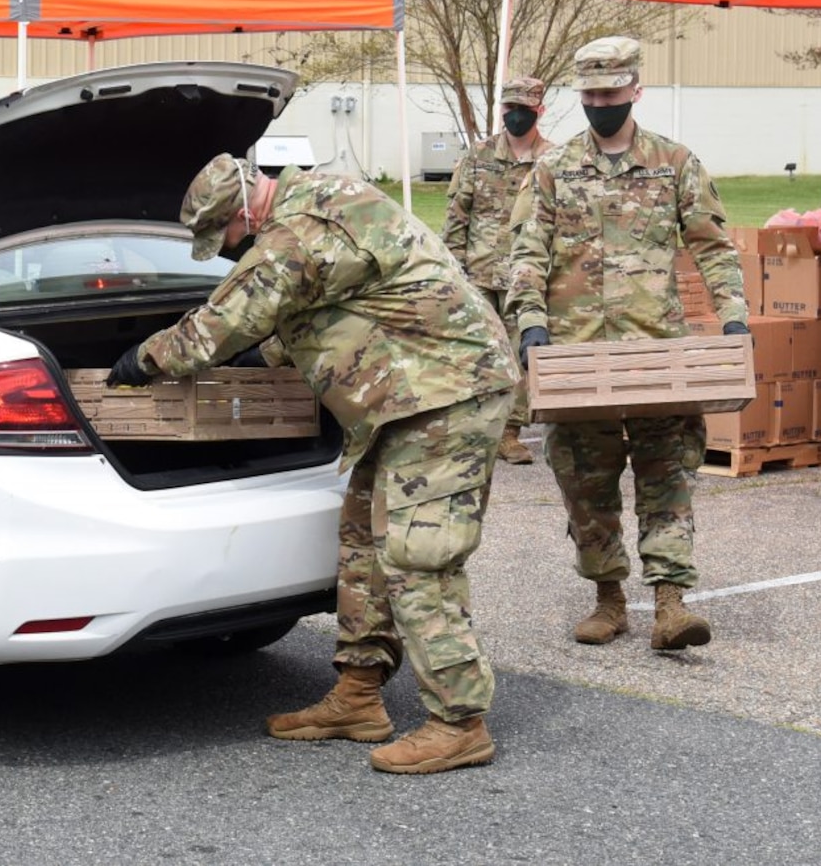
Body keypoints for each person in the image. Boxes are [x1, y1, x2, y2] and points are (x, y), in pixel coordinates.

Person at [105, 153, 520, 774]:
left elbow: (223, 322)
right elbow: (330, 299)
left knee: (418, 557)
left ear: (246, 207)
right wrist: (267, 357)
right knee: (360, 539)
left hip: (447, 392)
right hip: (407, 393)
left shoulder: (297, 232)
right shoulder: (320, 201)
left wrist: (146, 360)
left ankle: (459, 722)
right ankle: (357, 696)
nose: (227, 252)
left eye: (228, 238)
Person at [505, 37, 749, 651]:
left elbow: (714, 249)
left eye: (610, 94)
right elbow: (526, 254)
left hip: (657, 353)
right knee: (586, 481)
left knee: (667, 473)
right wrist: (530, 321)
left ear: (635, 91)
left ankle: (671, 602)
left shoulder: (674, 162)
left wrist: (734, 321)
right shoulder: (553, 170)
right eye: (589, 95)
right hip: (576, 356)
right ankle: (609, 598)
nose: (599, 104)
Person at [441, 75, 555, 465]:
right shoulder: (478, 156)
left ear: (540, 111)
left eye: (525, 110)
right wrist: (453, 269)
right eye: (510, 110)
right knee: (475, 352)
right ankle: (472, 428)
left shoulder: (553, 160)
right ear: (501, 110)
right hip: (478, 273)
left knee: (520, 355)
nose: (516, 117)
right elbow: (457, 216)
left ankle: (509, 431)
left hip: (525, 276)